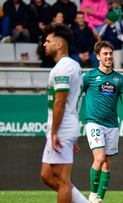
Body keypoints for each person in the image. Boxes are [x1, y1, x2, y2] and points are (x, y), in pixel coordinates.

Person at [83, 40, 123, 203]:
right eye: (105, 54)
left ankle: (99, 198)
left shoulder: (119, 79)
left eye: (110, 53)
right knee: (99, 158)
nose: (108, 56)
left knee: (107, 165)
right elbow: (75, 92)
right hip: (94, 122)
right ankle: (93, 195)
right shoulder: (89, 76)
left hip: (112, 125)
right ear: (98, 57)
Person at [40, 24, 88, 203]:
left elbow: (60, 102)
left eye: (48, 41)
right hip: (64, 125)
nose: (44, 44)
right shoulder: (68, 65)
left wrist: (54, 132)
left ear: (59, 44)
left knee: (62, 180)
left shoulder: (65, 67)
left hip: (62, 126)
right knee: (46, 175)